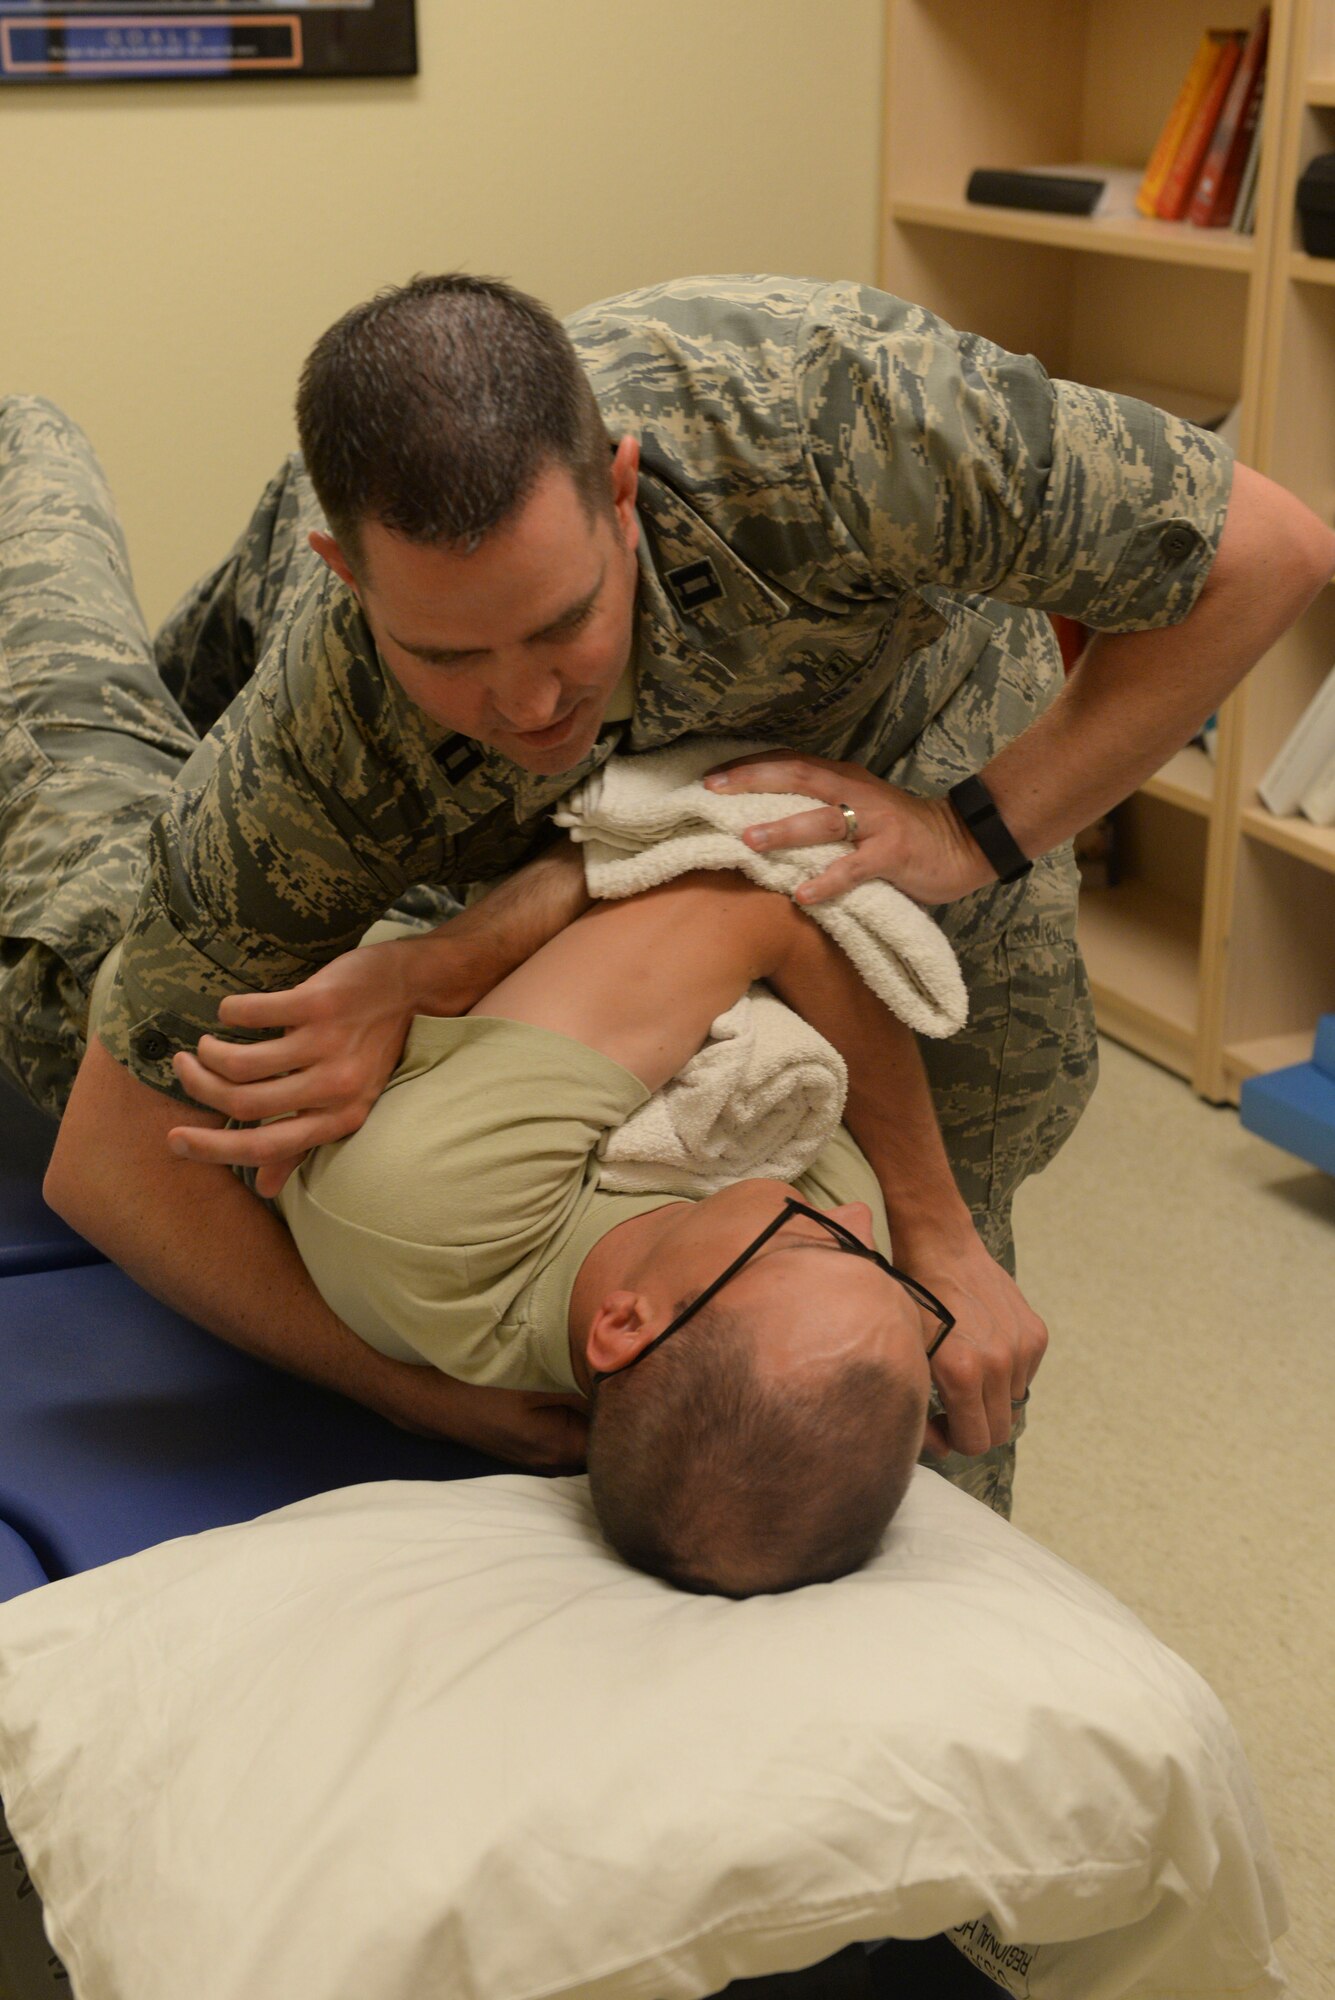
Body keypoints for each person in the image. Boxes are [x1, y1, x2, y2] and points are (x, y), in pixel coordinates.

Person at [11, 270, 1333, 1505]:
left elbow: (1267, 552)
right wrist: (408, 1395)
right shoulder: (320, 732)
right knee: (87, 824)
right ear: (353, 579)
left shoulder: (840, 429)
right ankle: (28, 458)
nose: (528, 699)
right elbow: (111, 1162)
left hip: (885, 745)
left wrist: (969, 834)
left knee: (994, 1134)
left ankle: (931, 1573)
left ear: (624, 494)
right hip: (352, 688)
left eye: (562, 622)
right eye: (455, 652)